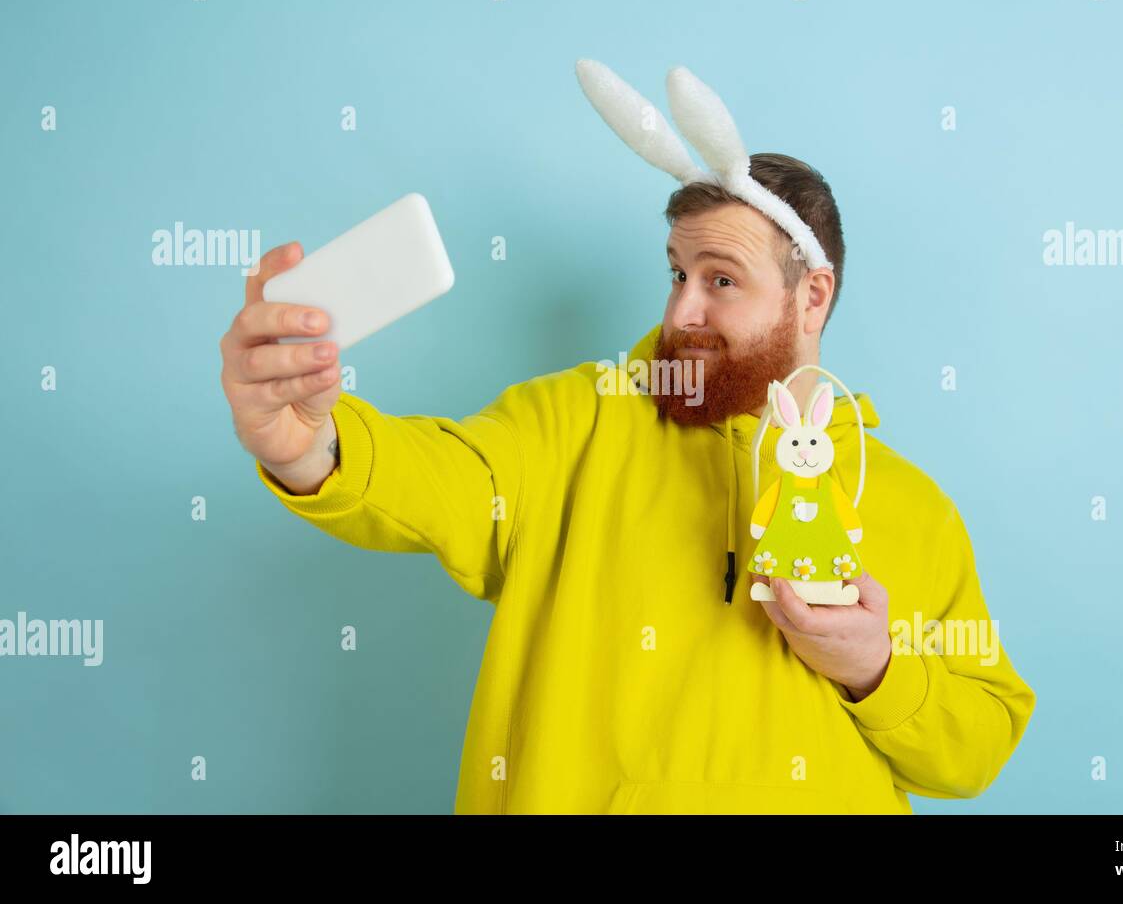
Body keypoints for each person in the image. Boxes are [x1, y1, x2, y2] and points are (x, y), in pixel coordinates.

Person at [218, 153, 1036, 813]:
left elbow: (978, 745)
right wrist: (310, 447)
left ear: (811, 294)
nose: (683, 309)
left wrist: (875, 670)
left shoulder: (911, 505)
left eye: (720, 280)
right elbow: (448, 480)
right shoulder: (571, 422)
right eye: (676, 272)